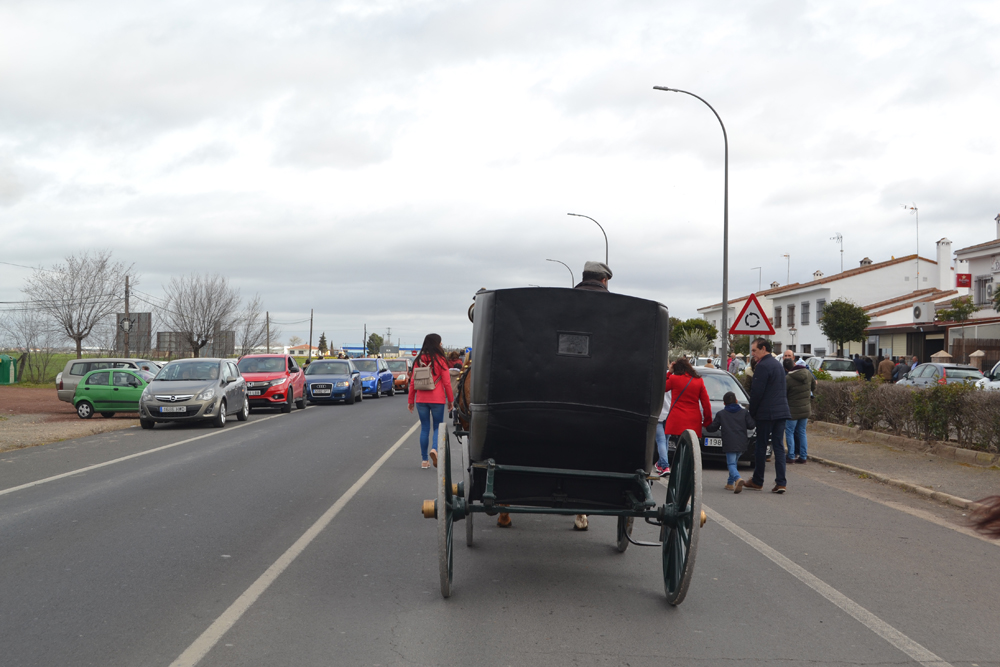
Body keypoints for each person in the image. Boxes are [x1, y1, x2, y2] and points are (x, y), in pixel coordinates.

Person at [566, 259, 614, 531]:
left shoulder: (565, 302)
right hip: (605, 395)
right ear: (604, 280)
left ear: (584, 277)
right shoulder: (617, 306)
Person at [746, 337, 791, 493]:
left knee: (761, 446)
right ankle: (781, 482)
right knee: (778, 446)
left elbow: (756, 392)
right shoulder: (778, 365)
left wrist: (751, 412)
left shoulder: (762, 366)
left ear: (763, 349)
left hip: (766, 413)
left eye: (754, 350)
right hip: (781, 412)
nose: (752, 354)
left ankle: (757, 480)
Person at [407, 333, 455, 469]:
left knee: (424, 428)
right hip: (437, 399)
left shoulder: (418, 360)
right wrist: (451, 400)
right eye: (440, 342)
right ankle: (434, 449)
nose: (441, 344)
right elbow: (447, 383)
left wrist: (411, 400)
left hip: (421, 399)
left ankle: (424, 460)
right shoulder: (441, 360)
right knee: (437, 427)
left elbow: (412, 382)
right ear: (436, 344)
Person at [661, 357, 713, 476]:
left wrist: (669, 372)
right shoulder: (699, 381)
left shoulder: (674, 379)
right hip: (693, 421)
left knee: (678, 448)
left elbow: (662, 388)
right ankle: (688, 471)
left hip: (677, 420)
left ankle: (678, 471)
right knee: (691, 448)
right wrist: (707, 421)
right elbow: (706, 404)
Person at [705, 391, 755, 493]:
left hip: (729, 443)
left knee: (731, 464)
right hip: (742, 443)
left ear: (724, 403)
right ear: (736, 401)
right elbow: (751, 425)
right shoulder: (744, 412)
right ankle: (729, 483)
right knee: (734, 463)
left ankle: (737, 479)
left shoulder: (721, 414)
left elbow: (712, 428)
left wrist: (706, 424)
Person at [784, 357, 815, 464]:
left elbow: (784, 394)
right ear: (794, 363)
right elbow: (813, 387)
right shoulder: (808, 373)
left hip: (792, 410)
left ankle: (791, 456)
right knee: (802, 432)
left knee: (789, 432)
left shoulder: (788, 378)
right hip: (805, 408)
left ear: (786, 369)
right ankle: (803, 456)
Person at [654, 388, 672, 474]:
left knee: (661, 441)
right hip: (669, 414)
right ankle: (660, 464)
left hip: (658, 414)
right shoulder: (672, 381)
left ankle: (665, 466)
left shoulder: (657, 382)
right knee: (666, 441)